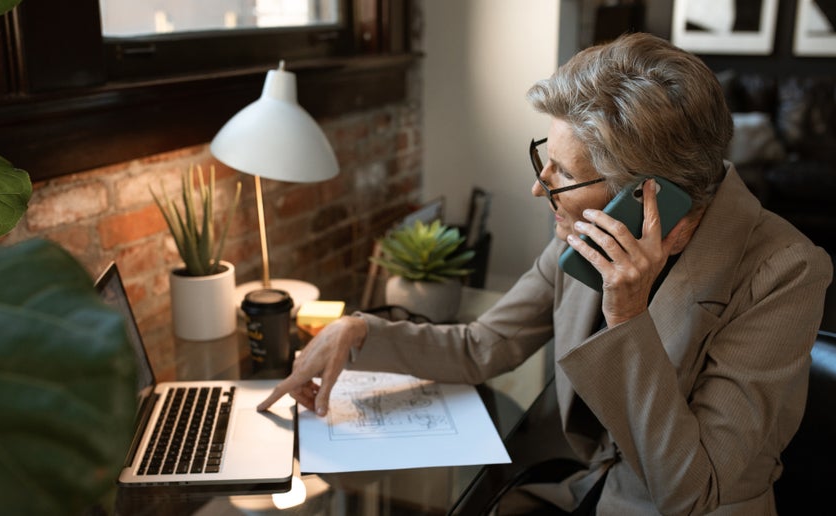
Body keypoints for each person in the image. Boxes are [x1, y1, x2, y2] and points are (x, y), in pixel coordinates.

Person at [257, 32, 833, 514]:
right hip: (585, 490)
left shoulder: (786, 271)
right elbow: (486, 345)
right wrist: (358, 331)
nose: (540, 187)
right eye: (544, 159)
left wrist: (626, 314)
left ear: (643, 196)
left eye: (561, 174)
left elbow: (690, 490)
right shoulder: (587, 228)